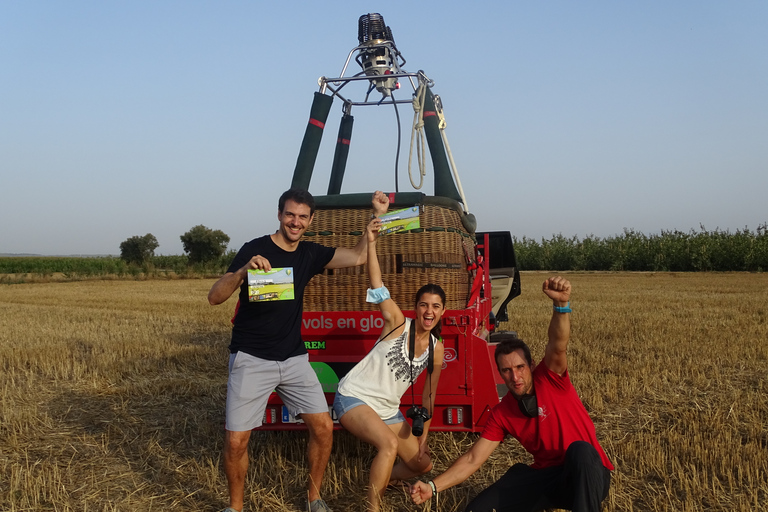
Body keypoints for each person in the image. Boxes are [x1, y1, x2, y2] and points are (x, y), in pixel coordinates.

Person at [208, 188, 388, 512]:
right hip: (252, 357)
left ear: (310, 220)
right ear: (279, 215)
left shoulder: (309, 254)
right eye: (290, 214)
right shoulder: (254, 249)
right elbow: (215, 297)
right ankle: (235, 507)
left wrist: (375, 222)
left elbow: (358, 256)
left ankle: (313, 498)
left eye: (302, 217)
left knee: (323, 428)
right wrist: (242, 272)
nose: (296, 221)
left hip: (293, 359)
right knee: (236, 442)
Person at [409, 276, 613, 512]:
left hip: (590, 476)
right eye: (506, 370)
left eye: (520, 368)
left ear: (532, 366)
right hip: (552, 480)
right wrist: (432, 487)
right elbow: (473, 459)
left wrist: (561, 307)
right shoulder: (502, 413)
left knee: (580, 451)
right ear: (500, 374)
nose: (514, 377)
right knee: (486, 502)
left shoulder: (550, 379)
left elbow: (558, 343)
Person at [332, 193, 446, 512]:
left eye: (435, 306)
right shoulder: (397, 322)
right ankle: (373, 507)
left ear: (442, 312)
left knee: (421, 464)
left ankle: (378, 479)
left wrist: (423, 437)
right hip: (354, 398)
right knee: (389, 445)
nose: (428, 311)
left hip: (388, 410)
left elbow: (429, 398)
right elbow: (377, 280)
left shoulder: (437, 350)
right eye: (423, 304)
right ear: (416, 307)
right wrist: (372, 239)